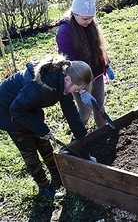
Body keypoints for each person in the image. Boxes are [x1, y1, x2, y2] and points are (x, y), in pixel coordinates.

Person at [0, 55, 92, 199]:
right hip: (9, 112)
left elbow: (70, 110)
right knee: (29, 151)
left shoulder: (61, 82)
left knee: (44, 143)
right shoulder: (40, 85)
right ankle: (44, 186)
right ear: (68, 79)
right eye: (76, 88)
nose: (75, 92)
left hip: (29, 107)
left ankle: (57, 176)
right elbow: (16, 110)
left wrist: (82, 136)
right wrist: (42, 129)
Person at [56, 0, 114, 128]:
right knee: (86, 110)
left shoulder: (91, 24)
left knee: (99, 105)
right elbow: (68, 61)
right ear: (74, 13)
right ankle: (78, 137)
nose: (88, 21)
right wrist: (81, 88)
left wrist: (107, 64)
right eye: (85, 18)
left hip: (96, 72)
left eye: (91, 18)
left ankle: (103, 133)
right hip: (80, 77)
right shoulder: (65, 32)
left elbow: (99, 46)